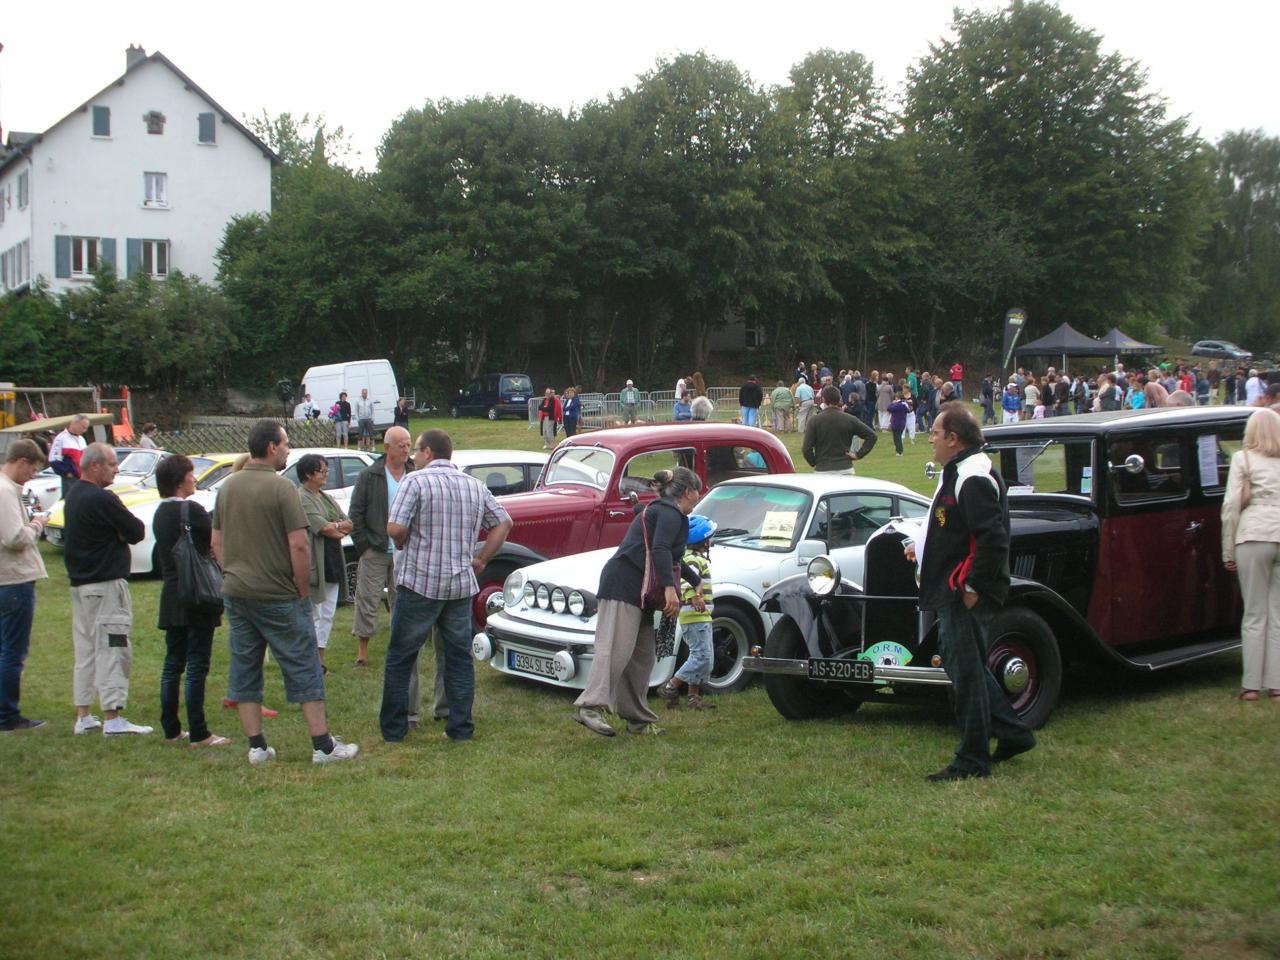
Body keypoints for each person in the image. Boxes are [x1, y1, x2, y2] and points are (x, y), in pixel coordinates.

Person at [212, 419, 358, 766]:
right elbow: (299, 545)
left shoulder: (227, 488)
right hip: (279, 594)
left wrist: (231, 573)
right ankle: (323, 746)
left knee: (245, 667)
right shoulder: (283, 490)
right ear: (271, 447)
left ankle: (257, 748)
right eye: (285, 444)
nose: (289, 450)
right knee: (304, 664)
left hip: (237, 592)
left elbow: (215, 542)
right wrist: (301, 587)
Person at [908, 404, 1035, 780]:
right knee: (964, 667)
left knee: (965, 672)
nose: (930, 439)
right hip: (955, 588)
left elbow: (992, 539)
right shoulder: (959, 471)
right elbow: (952, 527)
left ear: (953, 438)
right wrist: (922, 545)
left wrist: (972, 586)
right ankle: (1013, 733)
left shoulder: (973, 475)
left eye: (935, 432)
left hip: (964, 591)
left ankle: (972, 759)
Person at [379, 429, 512, 742]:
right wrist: (481, 560)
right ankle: (460, 727)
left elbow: (395, 526)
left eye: (416, 451)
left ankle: (394, 729)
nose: (413, 457)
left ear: (427, 452)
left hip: (419, 583)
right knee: (458, 659)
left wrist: (401, 541)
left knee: (401, 656)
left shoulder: (415, 481)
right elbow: (503, 523)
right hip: (458, 586)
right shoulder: (474, 486)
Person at [573, 467, 702, 737]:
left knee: (642, 656)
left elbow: (671, 555)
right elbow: (660, 549)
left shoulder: (665, 511)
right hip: (624, 585)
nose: (699, 498)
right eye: (697, 492)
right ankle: (589, 706)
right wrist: (670, 588)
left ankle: (637, 718)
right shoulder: (669, 513)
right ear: (687, 492)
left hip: (639, 591)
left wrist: (693, 579)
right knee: (615, 648)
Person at [63, 443, 151, 736]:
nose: (117, 469)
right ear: (95, 466)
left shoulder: (73, 494)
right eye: (113, 464)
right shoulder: (103, 499)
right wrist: (117, 532)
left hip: (81, 585)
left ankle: (84, 714)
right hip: (105, 586)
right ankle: (113, 717)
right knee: (113, 647)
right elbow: (136, 531)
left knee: (86, 649)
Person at [152, 455, 229, 747]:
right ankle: (199, 731)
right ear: (179, 480)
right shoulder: (192, 510)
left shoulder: (160, 514)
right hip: (198, 593)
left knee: (173, 663)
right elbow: (214, 543)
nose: (194, 478)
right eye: (190, 474)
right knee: (197, 663)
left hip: (172, 593)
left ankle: (171, 728)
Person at [1221, 408, 1280, 701]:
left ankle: (1251, 685)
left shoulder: (1242, 459)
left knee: (1254, 613)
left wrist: (1228, 549)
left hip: (1254, 533)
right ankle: (1277, 683)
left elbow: (1231, 507)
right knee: (1277, 613)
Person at [0, 440, 49, 731]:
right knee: (13, 651)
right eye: (32, 467)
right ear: (20, 461)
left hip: (7, 580)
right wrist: (37, 524)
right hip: (13, 580)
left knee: (6, 649)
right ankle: (7, 715)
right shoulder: (5, 491)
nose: (32, 474)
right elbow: (15, 538)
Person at [297, 454, 353, 672]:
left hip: (333, 561)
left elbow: (349, 522)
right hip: (315, 563)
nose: (326, 475)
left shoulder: (326, 497)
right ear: (309, 474)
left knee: (328, 613)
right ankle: (310, 661)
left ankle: (320, 659)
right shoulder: (302, 498)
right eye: (322, 471)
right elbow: (322, 527)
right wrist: (336, 527)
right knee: (314, 613)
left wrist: (336, 527)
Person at [658, 514, 717, 711]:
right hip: (694, 615)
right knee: (701, 656)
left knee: (702, 656)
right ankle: (670, 686)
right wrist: (694, 596)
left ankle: (693, 698)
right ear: (703, 540)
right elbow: (684, 581)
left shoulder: (695, 558)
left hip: (701, 616)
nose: (711, 542)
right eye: (709, 538)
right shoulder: (692, 560)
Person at [803, 385, 878, 473]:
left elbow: (806, 448)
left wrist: (814, 462)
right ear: (839, 400)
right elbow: (872, 436)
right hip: (845, 468)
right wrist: (858, 455)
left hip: (823, 469)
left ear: (823, 400)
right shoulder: (850, 419)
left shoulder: (814, 421)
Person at [50, 413, 90, 498]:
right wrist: (67, 473)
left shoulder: (82, 439)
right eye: (83, 427)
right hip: (70, 479)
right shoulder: (61, 438)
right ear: (74, 424)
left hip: (83, 478)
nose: (85, 430)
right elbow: (53, 460)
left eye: (86, 428)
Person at [887, 388, 912, 457]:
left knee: (897, 438)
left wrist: (892, 403)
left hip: (896, 423)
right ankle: (898, 451)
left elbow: (889, 408)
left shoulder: (898, 405)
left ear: (897, 397)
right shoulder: (904, 404)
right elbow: (909, 410)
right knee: (898, 437)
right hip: (902, 423)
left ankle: (899, 451)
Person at [354, 388, 376, 452]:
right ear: (361, 393)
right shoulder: (358, 401)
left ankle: (373, 447)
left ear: (367, 393)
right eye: (364, 393)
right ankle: (359, 447)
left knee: (371, 434)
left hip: (369, 419)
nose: (365, 394)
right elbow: (356, 410)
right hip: (361, 419)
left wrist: (372, 418)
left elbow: (372, 410)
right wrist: (358, 419)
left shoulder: (370, 401)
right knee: (360, 434)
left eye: (366, 393)